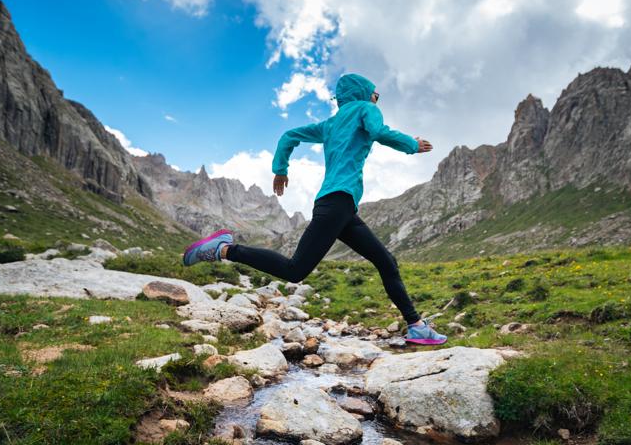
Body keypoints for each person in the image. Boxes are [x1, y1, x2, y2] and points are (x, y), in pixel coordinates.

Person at [182, 73, 448, 345]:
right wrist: (411, 145)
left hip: (342, 208)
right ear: (363, 93)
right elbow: (379, 132)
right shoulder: (366, 109)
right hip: (336, 205)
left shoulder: (330, 124)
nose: (377, 98)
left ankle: (416, 325)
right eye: (375, 93)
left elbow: (289, 136)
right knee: (295, 270)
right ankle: (223, 249)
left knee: (386, 261)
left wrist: (280, 170)